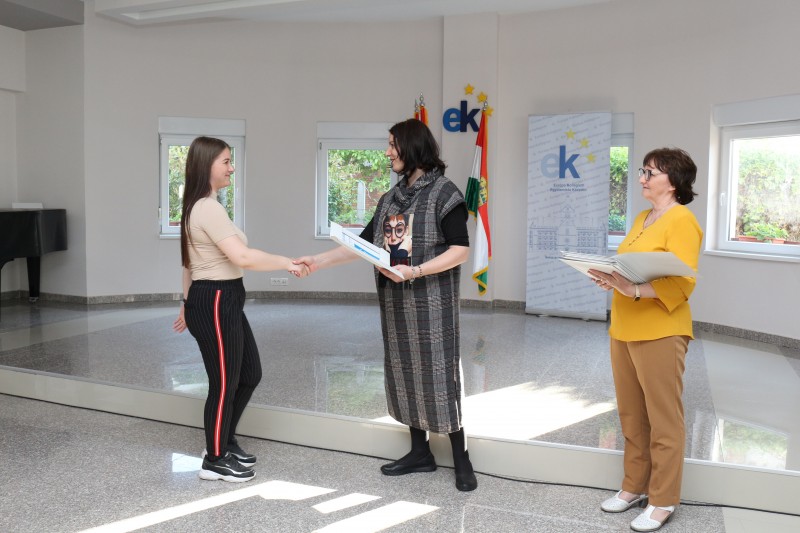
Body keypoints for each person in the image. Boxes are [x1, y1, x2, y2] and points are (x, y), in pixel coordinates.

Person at [294, 119, 477, 491]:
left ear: (412, 146)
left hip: (432, 305)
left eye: (393, 144)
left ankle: (461, 458)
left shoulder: (445, 193)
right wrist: (318, 261)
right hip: (396, 304)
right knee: (405, 372)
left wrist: (416, 271)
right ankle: (420, 452)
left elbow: (460, 250)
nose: (388, 151)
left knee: (440, 376)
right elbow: (362, 246)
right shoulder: (391, 198)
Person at [172, 136, 307, 483]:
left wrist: (187, 303)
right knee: (223, 383)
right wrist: (287, 263)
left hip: (223, 298)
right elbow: (242, 257)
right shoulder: (206, 208)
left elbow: (188, 264)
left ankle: (224, 440)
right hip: (216, 298)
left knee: (249, 374)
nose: (232, 168)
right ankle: (214, 459)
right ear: (207, 165)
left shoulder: (205, 206)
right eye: (226, 161)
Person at [588, 148, 703, 532]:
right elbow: (630, 269)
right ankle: (634, 486)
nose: (641, 178)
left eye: (649, 172)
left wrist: (633, 290)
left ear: (673, 180)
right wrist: (612, 279)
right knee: (631, 415)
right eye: (643, 171)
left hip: (661, 330)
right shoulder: (641, 217)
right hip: (624, 327)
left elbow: (683, 284)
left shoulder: (682, 220)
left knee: (663, 418)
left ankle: (663, 498)